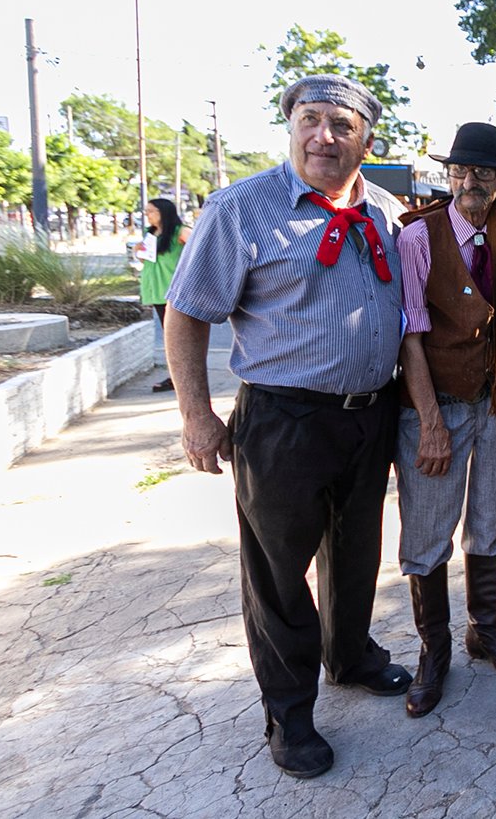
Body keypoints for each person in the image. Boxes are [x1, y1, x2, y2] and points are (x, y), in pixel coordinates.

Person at [164, 74, 412, 779]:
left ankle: (351, 653)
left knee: (356, 551)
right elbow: (186, 311)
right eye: (311, 120)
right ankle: (290, 709)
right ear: (291, 125)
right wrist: (196, 414)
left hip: (370, 413)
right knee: (278, 573)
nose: (324, 136)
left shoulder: (387, 213)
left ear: (367, 138)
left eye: (342, 124)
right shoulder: (242, 208)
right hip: (283, 419)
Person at [393, 122, 496, 718]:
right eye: (460, 171)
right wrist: (429, 418)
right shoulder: (419, 237)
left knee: (490, 520)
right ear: (448, 175)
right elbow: (409, 334)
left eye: (484, 172)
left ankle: (487, 630)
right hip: (437, 407)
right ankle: (435, 651)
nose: (469, 182)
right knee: (428, 535)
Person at [138, 197, 189, 392]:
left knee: (178, 337)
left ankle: (179, 379)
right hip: (156, 289)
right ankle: (175, 377)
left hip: (174, 292)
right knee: (168, 337)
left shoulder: (180, 232)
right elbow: (148, 260)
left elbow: (200, 250)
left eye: (151, 211)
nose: (147, 215)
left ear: (163, 212)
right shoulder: (149, 234)